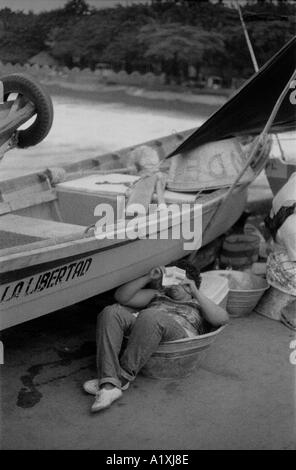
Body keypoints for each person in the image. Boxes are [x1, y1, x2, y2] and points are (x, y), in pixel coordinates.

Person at [83, 259, 229, 413]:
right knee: (110, 312)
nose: (174, 284)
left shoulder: (198, 302)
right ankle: (109, 383)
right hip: (146, 330)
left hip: (176, 337)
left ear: (190, 285)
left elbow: (222, 319)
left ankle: (122, 377)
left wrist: (195, 291)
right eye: (171, 279)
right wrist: (148, 278)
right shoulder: (158, 295)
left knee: (151, 315)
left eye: (179, 280)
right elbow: (121, 297)